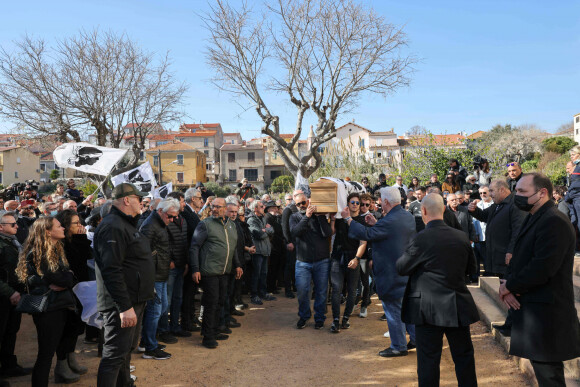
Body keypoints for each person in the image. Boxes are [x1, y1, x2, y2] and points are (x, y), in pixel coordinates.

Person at [500, 173, 580, 386]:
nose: (517, 195)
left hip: (547, 316)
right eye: (516, 191)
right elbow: (520, 258)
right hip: (536, 313)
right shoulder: (537, 216)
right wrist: (508, 285)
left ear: (542, 193)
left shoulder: (554, 220)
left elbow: (542, 267)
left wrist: (510, 286)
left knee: (550, 378)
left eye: (522, 192)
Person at [397, 193, 479, 387]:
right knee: (464, 357)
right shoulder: (461, 237)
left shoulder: (420, 239)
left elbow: (402, 268)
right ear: (443, 210)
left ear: (423, 211)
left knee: (428, 360)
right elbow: (472, 270)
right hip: (457, 305)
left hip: (427, 309)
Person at [94, 183, 154, 387]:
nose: (143, 202)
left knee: (124, 352)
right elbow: (112, 270)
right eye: (139, 199)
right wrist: (125, 307)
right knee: (113, 355)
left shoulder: (125, 224)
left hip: (133, 300)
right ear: (127, 200)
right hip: (121, 304)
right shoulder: (113, 226)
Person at [348, 187, 416, 357]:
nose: (378, 204)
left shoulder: (390, 220)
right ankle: (416, 339)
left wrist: (348, 219)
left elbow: (367, 234)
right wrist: (377, 224)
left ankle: (398, 346)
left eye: (380, 201)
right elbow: (391, 234)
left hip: (391, 273)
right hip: (405, 271)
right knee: (405, 308)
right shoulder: (406, 216)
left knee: (393, 309)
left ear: (386, 202)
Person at [15, 217, 80, 386]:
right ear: (47, 231)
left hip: (60, 305)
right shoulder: (40, 253)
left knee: (56, 348)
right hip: (49, 309)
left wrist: (68, 276)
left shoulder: (55, 249)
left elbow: (67, 277)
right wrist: (68, 276)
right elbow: (63, 279)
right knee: (46, 354)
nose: (63, 228)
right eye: (59, 226)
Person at [189, 197, 243, 349]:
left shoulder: (231, 225)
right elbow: (194, 247)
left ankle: (215, 329)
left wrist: (237, 265)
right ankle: (207, 336)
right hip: (209, 271)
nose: (215, 209)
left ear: (225, 209)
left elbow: (233, 249)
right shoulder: (205, 224)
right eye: (213, 206)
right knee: (211, 303)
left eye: (219, 207)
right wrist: (195, 268)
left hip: (225, 271)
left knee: (220, 301)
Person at [139, 198, 180, 359]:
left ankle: (146, 342)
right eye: (170, 216)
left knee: (161, 309)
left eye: (175, 217)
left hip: (161, 273)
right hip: (154, 275)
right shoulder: (150, 225)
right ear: (160, 211)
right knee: (155, 311)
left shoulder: (160, 223)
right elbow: (143, 253)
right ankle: (150, 346)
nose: (172, 220)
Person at [54, 209, 91, 374]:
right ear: (66, 225)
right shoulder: (60, 243)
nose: (80, 226)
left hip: (79, 288)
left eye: (80, 222)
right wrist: (81, 239)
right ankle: (61, 365)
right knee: (67, 327)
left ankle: (71, 358)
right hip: (67, 290)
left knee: (76, 327)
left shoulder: (77, 239)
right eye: (76, 223)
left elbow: (87, 256)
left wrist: (81, 238)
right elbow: (74, 260)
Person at [290, 194, 333, 329]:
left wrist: (320, 216)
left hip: (322, 260)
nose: (302, 205)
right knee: (302, 291)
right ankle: (304, 315)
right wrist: (306, 216)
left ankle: (319, 317)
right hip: (303, 262)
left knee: (321, 291)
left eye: (304, 202)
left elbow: (328, 233)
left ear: (308, 201)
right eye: (298, 204)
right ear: (295, 206)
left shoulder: (319, 216)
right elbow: (295, 232)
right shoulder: (294, 217)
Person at [0, 212, 32, 379]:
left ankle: (9, 366)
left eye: (16, 223)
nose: (17, 226)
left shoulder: (12, 242)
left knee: (11, 331)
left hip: (15, 294)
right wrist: (10, 292)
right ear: (1, 227)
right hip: (5, 296)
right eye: (13, 224)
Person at [330, 193, 367, 333]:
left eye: (358, 203)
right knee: (336, 289)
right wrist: (333, 220)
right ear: (348, 203)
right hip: (337, 257)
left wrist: (356, 259)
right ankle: (335, 320)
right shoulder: (340, 219)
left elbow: (363, 243)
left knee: (352, 291)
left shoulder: (362, 221)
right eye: (353, 202)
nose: (355, 205)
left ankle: (345, 319)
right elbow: (331, 233)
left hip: (353, 257)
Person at [161, 192, 191, 339]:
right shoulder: (167, 221)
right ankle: (164, 330)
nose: (184, 204)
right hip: (171, 267)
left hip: (181, 265)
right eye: (182, 201)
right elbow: (165, 244)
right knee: (166, 300)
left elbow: (183, 243)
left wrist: (185, 262)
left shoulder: (183, 220)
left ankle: (175, 327)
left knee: (177, 298)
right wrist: (170, 261)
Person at [181, 188, 202, 332]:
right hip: (188, 259)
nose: (202, 200)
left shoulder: (192, 213)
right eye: (200, 198)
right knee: (187, 293)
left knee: (192, 291)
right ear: (193, 199)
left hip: (193, 258)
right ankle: (186, 322)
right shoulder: (186, 213)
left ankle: (190, 317)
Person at [247, 200, 275, 305]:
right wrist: (265, 230)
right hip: (257, 251)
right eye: (262, 206)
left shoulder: (263, 218)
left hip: (265, 250)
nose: (264, 208)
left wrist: (265, 230)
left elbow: (272, 230)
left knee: (264, 273)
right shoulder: (251, 220)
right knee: (256, 274)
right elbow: (258, 234)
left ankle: (263, 293)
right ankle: (254, 295)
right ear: (255, 209)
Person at [281, 190, 303, 299]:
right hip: (291, 242)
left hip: (299, 242)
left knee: (296, 266)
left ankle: (295, 286)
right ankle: (287, 290)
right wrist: (288, 241)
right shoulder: (288, 209)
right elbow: (284, 227)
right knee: (289, 266)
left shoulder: (300, 208)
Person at [472, 185, 493, 279]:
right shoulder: (478, 205)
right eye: (480, 193)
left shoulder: (494, 204)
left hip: (492, 237)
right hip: (480, 236)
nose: (482, 194)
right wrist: (476, 233)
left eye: (485, 192)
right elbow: (474, 221)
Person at [264, 201, 284, 295]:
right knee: (272, 268)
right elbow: (272, 231)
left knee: (276, 267)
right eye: (274, 207)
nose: (277, 209)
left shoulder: (274, 217)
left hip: (277, 245)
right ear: (269, 209)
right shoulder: (268, 217)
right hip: (272, 246)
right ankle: (270, 287)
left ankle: (273, 286)